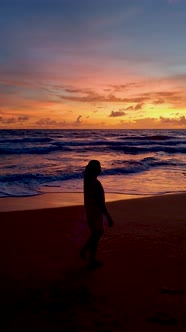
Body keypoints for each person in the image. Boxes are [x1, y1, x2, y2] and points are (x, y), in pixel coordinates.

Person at [80, 160, 113, 268]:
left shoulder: (88, 181)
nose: (100, 169)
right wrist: (108, 216)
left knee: (96, 234)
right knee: (97, 234)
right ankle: (90, 258)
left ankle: (86, 252)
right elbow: (100, 203)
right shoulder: (95, 183)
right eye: (99, 167)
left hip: (90, 211)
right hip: (95, 212)